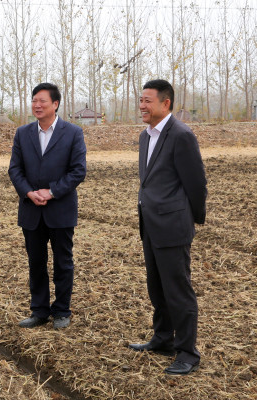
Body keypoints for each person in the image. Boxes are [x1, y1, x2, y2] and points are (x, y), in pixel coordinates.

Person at [128, 79, 207, 375]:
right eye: (141, 100)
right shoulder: (145, 136)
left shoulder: (181, 135)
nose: (142, 106)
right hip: (150, 224)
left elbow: (196, 183)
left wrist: (192, 219)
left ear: (166, 103)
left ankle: (187, 352)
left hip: (173, 226)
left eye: (147, 101)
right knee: (157, 287)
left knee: (178, 291)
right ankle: (163, 339)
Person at [8, 82, 87, 330]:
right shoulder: (23, 133)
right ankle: (39, 311)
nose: (37, 105)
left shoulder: (73, 132)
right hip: (31, 209)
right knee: (36, 262)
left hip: (60, 209)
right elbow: (15, 169)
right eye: (34, 100)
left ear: (55, 104)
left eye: (42, 101)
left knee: (63, 262)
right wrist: (28, 192)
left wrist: (51, 192)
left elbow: (78, 171)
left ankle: (62, 311)